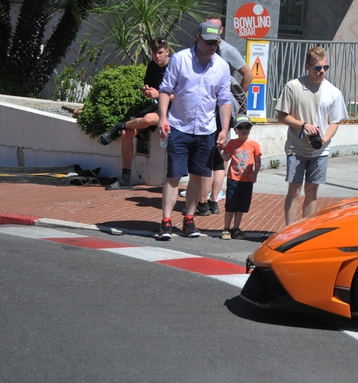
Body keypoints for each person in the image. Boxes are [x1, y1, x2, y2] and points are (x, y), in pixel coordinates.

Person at [156, 22, 232, 240]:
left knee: (197, 178)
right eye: (208, 42)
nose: (212, 46)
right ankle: (166, 221)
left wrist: (224, 129)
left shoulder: (221, 66)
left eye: (215, 42)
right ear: (197, 38)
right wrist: (162, 118)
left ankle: (189, 219)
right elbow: (165, 89)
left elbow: (225, 99)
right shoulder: (180, 59)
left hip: (206, 130)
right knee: (173, 176)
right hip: (179, 126)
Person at [275, 46, 348, 225]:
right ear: (308, 67)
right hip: (296, 147)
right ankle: (289, 231)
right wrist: (304, 125)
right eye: (317, 67)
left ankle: (305, 231)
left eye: (325, 67)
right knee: (294, 190)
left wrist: (324, 140)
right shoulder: (293, 86)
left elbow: (335, 121)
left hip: (320, 151)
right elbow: (281, 116)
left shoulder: (333, 92)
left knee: (311, 191)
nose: (322, 71)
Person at [196, 14, 254, 217]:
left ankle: (208, 201)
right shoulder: (204, 50)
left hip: (219, 111)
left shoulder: (227, 50)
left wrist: (236, 101)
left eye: (216, 28)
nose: (212, 32)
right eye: (208, 27)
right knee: (215, 158)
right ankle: (209, 201)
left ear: (221, 30)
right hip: (209, 109)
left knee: (214, 156)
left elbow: (248, 74)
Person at [98, 37, 172, 188]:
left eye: (160, 53)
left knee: (147, 119)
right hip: (156, 106)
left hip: (173, 108)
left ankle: (119, 125)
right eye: (154, 53)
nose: (157, 56)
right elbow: (149, 88)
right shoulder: (152, 66)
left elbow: (181, 94)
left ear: (167, 52)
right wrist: (146, 91)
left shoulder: (176, 66)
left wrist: (158, 94)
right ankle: (125, 179)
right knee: (127, 133)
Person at [218, 115, 261, 240]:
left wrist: (255, 173)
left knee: (242, 206)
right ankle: (226, 228)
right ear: (235, 130)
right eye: (240, 127)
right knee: (231, 205)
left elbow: (258, 161)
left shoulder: (254, 145)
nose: (244, 130)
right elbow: (226, 157)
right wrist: (220, 150)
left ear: (250, 128)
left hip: (247, 180)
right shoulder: (232, 143)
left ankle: (236, 227)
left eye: (247, 127)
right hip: (233, 179)